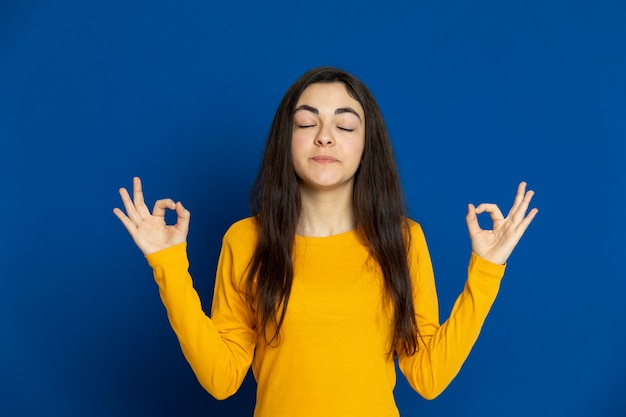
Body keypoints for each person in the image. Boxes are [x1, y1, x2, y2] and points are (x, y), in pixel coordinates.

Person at [113, 66, 537, 417]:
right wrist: (166, 262)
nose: (325, 136)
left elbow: (427, 376)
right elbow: (221, 379)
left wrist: (487, 270)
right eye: (306, 122)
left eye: (345, 124)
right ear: (287, 139)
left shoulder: (403, 240)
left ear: (366, 144)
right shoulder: (244, 240)